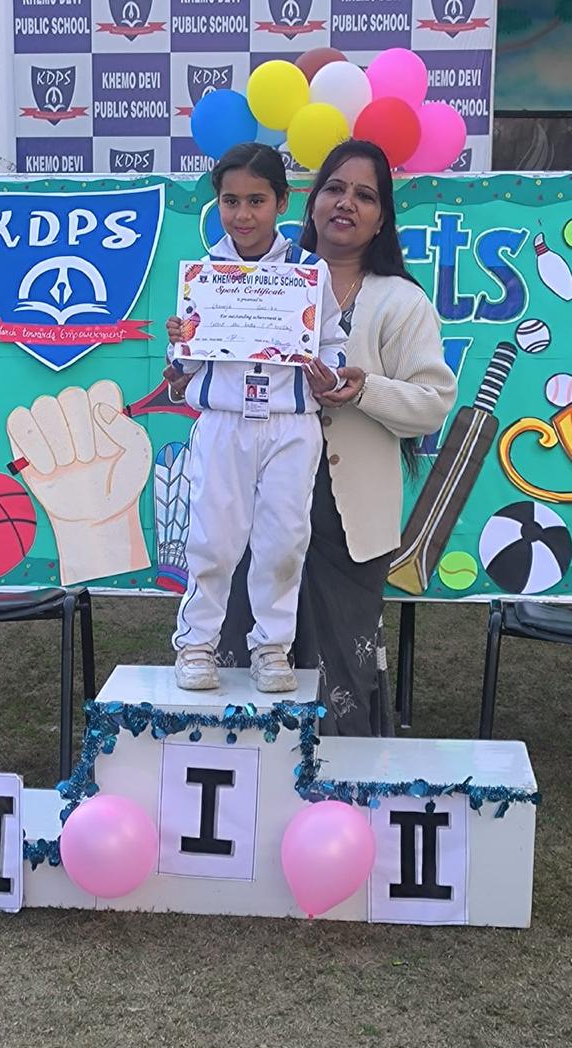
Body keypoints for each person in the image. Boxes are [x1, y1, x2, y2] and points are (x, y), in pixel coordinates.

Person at [167, 139, 457, 732]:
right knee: (229, 618)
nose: (346, 203)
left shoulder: (398, 300)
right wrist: (185, 357)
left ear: (382, 217)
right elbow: (200, 364)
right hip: (243, 470)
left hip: (346, 518)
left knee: (337, 675)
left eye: (365, 195)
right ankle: (239, 778)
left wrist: (361, 387)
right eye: (335, 188)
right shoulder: (238, 273)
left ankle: (340, 789)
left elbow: (432, 405)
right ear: (309, 200)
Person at [166, 142, 346, 695]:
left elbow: (332, 342)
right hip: (224, 420)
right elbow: (185, 364)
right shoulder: (205, 274)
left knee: (284, 541)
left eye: (256, 201)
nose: (242, 215)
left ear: (281, 202)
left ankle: (271, 646)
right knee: (212, 539)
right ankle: (197, 645)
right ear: (217, 204)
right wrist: (181, 343)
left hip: (292, 423)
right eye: (231, 201)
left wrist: (329, 373)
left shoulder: (309, 271)